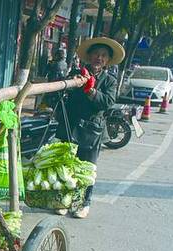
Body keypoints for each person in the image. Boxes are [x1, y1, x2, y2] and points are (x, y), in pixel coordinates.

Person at [55, 37, 125, 218]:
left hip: (91, 131)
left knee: (86, 169)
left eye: (103, 56)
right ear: (89, 56)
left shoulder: (109, 81)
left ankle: (82, 203)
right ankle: (64, 199)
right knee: (66, 166)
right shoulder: (78, 73)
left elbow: (108, 102)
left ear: (107, 60)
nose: (99, 58)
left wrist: (91, 91)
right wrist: (74, 81)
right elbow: (64, 89)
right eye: (96, 54)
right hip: (70, 126)